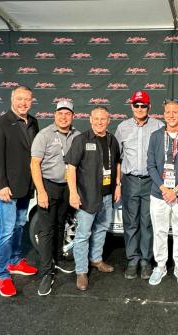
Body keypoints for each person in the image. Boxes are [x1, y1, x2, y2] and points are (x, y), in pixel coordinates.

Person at [0, 85, 39, 297]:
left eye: (27, 99)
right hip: (6, 188)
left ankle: (15, 261)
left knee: (19, 225)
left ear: (31, 101)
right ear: (11, 99)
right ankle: (2, 275)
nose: (23, 103)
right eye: (19, 99)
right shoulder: (0, 124)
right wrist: (1, 185)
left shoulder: (33, 122)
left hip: (25, 186)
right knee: (6, 230)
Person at [65, 106, 121, 291]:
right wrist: (73, 192)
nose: (99, 122)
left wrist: (118, 185)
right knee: (83, 234)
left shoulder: (112, 140)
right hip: (87, 196)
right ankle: (81, 271)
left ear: (108, 120)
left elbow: (117, 163)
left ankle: (96, 260)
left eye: (103, 119)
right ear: (90, 120)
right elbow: (71, 168)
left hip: (107, 195)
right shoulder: (81, 140)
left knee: (102, 228)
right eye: (96, 119)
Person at [30, 100, 81, 296]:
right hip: (48, 186)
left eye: (67, 113)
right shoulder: (44, 135)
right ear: (55, 115)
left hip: (67, 187)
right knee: (46, 229)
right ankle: (46, 273)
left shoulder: (76, 136)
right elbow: (35, 164)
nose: (64, 117)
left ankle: (57, 260)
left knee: (61, 224)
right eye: (60, 113)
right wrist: (41, 191)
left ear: (73, 116)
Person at [146, 99, 178, 286]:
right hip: (159, 193)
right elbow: (150, 166)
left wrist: (176, 190)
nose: (171, 115)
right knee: (159, 231)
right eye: (168, 112)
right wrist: (164, 189)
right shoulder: (155, 136)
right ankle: (160, 266)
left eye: (175, 112)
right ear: (163, 114)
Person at [115, 90, 163, 280]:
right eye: (137, 105)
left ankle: (145, 261)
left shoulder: (159, 126)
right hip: (130, 181)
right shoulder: (123, 127)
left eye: (144, 105)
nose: (140, 108)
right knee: (131, 222)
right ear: (132, 106)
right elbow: (117, 158)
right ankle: (132, 260)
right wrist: (118, 183)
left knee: (147, 223)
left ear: (149, 107)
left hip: (152, 181)